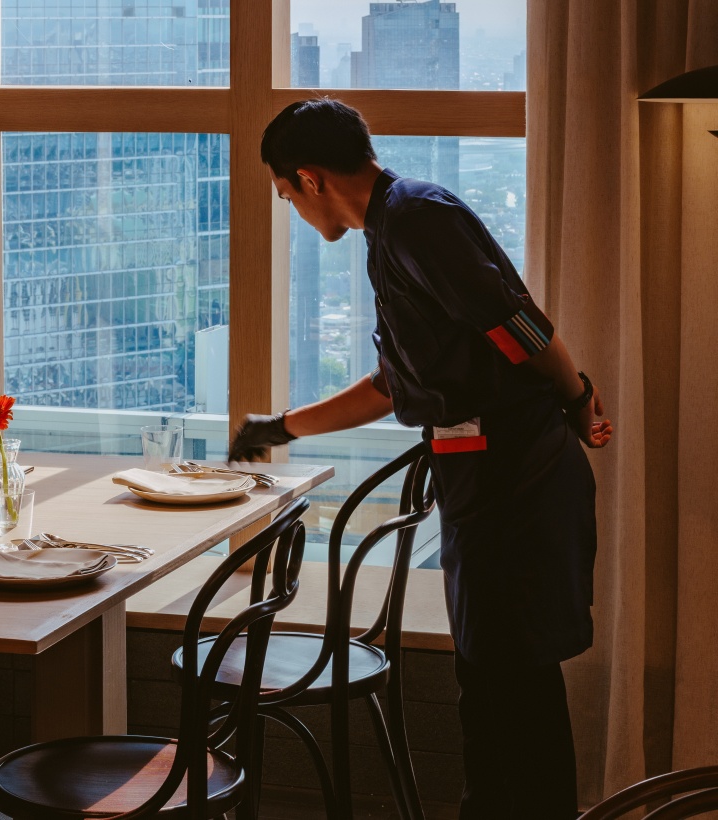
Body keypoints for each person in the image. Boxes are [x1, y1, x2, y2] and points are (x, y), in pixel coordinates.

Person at [229, 99, 613, 820]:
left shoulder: (415, 221)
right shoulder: (393, 230)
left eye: (285, 196)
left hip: (516, 480)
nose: (294, 210)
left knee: (512, 692)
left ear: (309, 179)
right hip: (488, 482)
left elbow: (517, 322)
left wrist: (577, 394)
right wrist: (278, 426)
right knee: (495, 689)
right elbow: (394, 384)